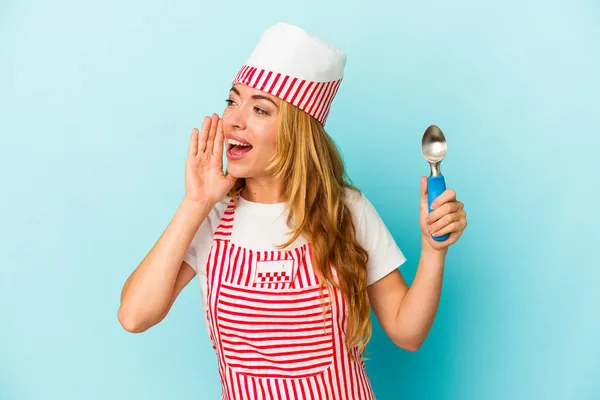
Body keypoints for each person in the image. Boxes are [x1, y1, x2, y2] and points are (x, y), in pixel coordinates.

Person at [118, 22, 468, 399]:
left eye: (260, 110)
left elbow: (407, 332)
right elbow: (135, 316)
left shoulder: (346, 210)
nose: (234, 119)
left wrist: (434, 251)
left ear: (296, 132)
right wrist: (196, 203)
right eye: (232, 101)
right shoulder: (211, 216)